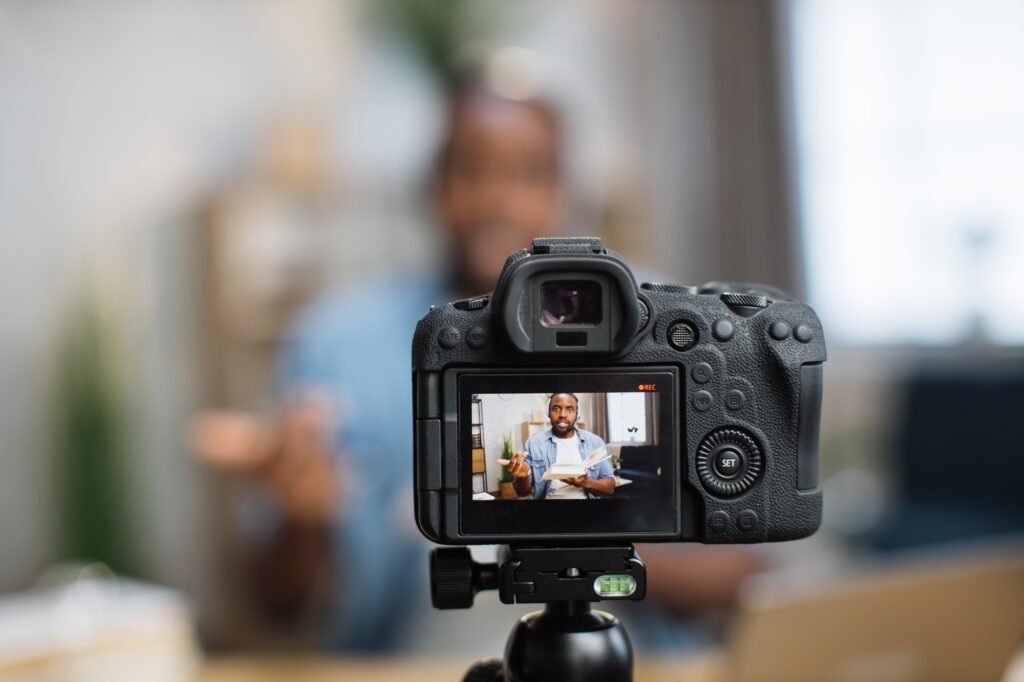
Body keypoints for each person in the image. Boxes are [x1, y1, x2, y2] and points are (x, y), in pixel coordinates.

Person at [193, 76, 762, 653]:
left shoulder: (672, 329)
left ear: (565, 190)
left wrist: (580, 542)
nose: (499, 198)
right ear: (434, 187)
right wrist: (300, 519)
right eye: (472, 170)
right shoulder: (337, 344)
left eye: (529, 172)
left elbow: (752, 572)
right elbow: (274, 602)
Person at [509, 393, 615, 499]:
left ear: (577, 414)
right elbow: (522, 492)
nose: (562, 415)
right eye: (556, 409)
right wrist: (521, 478)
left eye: (569, 409)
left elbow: (610, 487)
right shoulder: (534, 444)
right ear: (548, 413)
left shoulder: (595, 442)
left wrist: (586, 482)